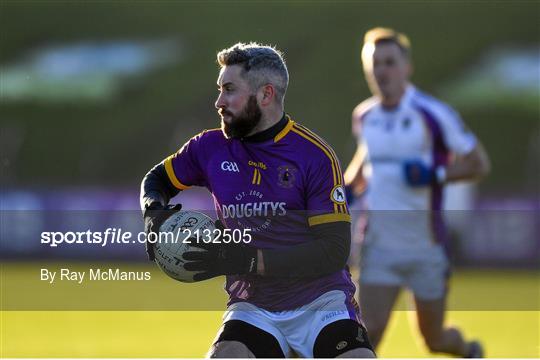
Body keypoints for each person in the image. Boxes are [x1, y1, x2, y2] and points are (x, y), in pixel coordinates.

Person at [140, 42, 376, 358]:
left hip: (321, 304)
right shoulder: (208, 148)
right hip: (253, 307)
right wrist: (153, 212)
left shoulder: (314, 155)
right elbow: (156, 180)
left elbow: (333, 251)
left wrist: (251, 260)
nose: (218, 102)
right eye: (219, 89)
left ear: (265, 95)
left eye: (229, 90)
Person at [344, 28, 490, 357]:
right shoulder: (365, 116)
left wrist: (433, 174)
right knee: (369, 333)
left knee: (433, 338)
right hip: (378, 245)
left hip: (426, 247)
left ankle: (468, 350)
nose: (381, 71)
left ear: (406, 67)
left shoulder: (432, 114)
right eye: (374, 64)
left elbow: (478, 163)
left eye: (389, 62)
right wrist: (346, 190)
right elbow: (364, 165)